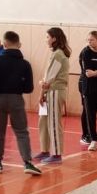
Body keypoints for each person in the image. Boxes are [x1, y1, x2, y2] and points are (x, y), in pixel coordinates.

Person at [0, 31, 41, 175]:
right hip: (17, 99)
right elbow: (29, 88)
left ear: (4, 44)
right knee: (22, 131)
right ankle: (27, 163)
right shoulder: (25, 64)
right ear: (19, 44)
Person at [34, 28, 71, 165]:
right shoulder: (55, 53)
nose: (46, 40)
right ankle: (45, 150)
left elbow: (48, 79)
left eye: (48, 37)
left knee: (54, 122)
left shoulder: (58, 54)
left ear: (54, 38)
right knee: (43, 121)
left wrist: (41, 93)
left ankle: (56, 154)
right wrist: (43, 92)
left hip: (55, 91)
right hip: (49, 91)